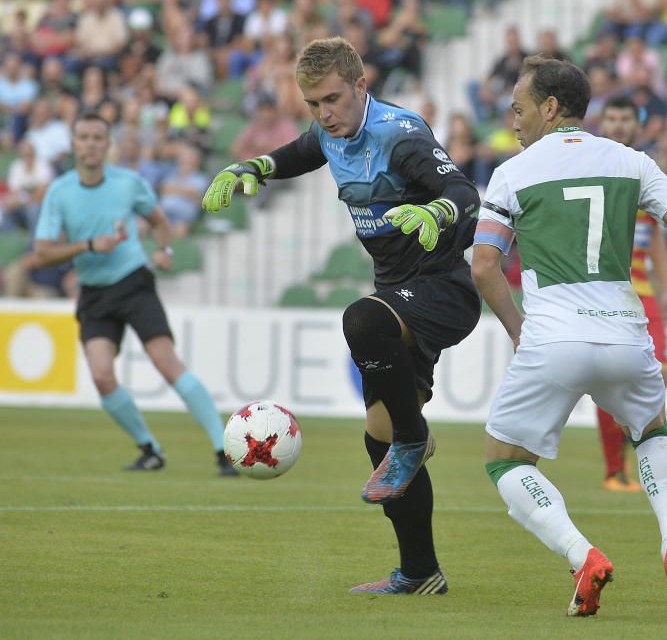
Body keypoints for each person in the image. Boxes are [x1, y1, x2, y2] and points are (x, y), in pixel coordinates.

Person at [201, 37, 481, 594]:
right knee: (379, 438)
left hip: (442, 290)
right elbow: (302, 152)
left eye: (332, 99)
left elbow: (465, 192)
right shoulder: (332, 133)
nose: (323, 113)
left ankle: (414, 437)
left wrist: (437, 209)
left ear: (360, 86)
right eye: (312, 104)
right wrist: (254, 166)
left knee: (361, 321)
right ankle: (421, 573)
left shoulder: (400, 135)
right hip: (398, 295)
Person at [472, 56, 667, 617]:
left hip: (553, 337)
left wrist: (520, 329)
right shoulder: (632, 161)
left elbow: (483, 266)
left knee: (505, 460)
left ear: (550, 109)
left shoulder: (513, 172)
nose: (513, 118)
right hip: (626, 333)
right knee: (652, 433)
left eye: (520, 107)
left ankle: (583, 557)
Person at [32, 112, 234, 476]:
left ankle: (224, 449)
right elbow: (43, 251)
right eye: (84, 137)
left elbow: (159, 221)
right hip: (94, 292)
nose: (91, 144)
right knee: (101, 376)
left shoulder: (128, 182)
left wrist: (165, 251)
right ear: (74, 144)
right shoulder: (59, 192)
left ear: (108, 145)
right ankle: (150, 449)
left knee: (165, 362)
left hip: (132, 281)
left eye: (98, 137)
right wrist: (90, 244)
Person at [594, 96, 667, 493]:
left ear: (636, 123)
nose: (618, 124)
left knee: (657, 373)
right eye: (611, 117)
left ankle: (644, 457)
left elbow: (657, 234)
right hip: (604, 292)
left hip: (643, 292)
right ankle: (615, 470)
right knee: (608, 381)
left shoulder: (646, 169)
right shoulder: (588, 164)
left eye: (625, 117)